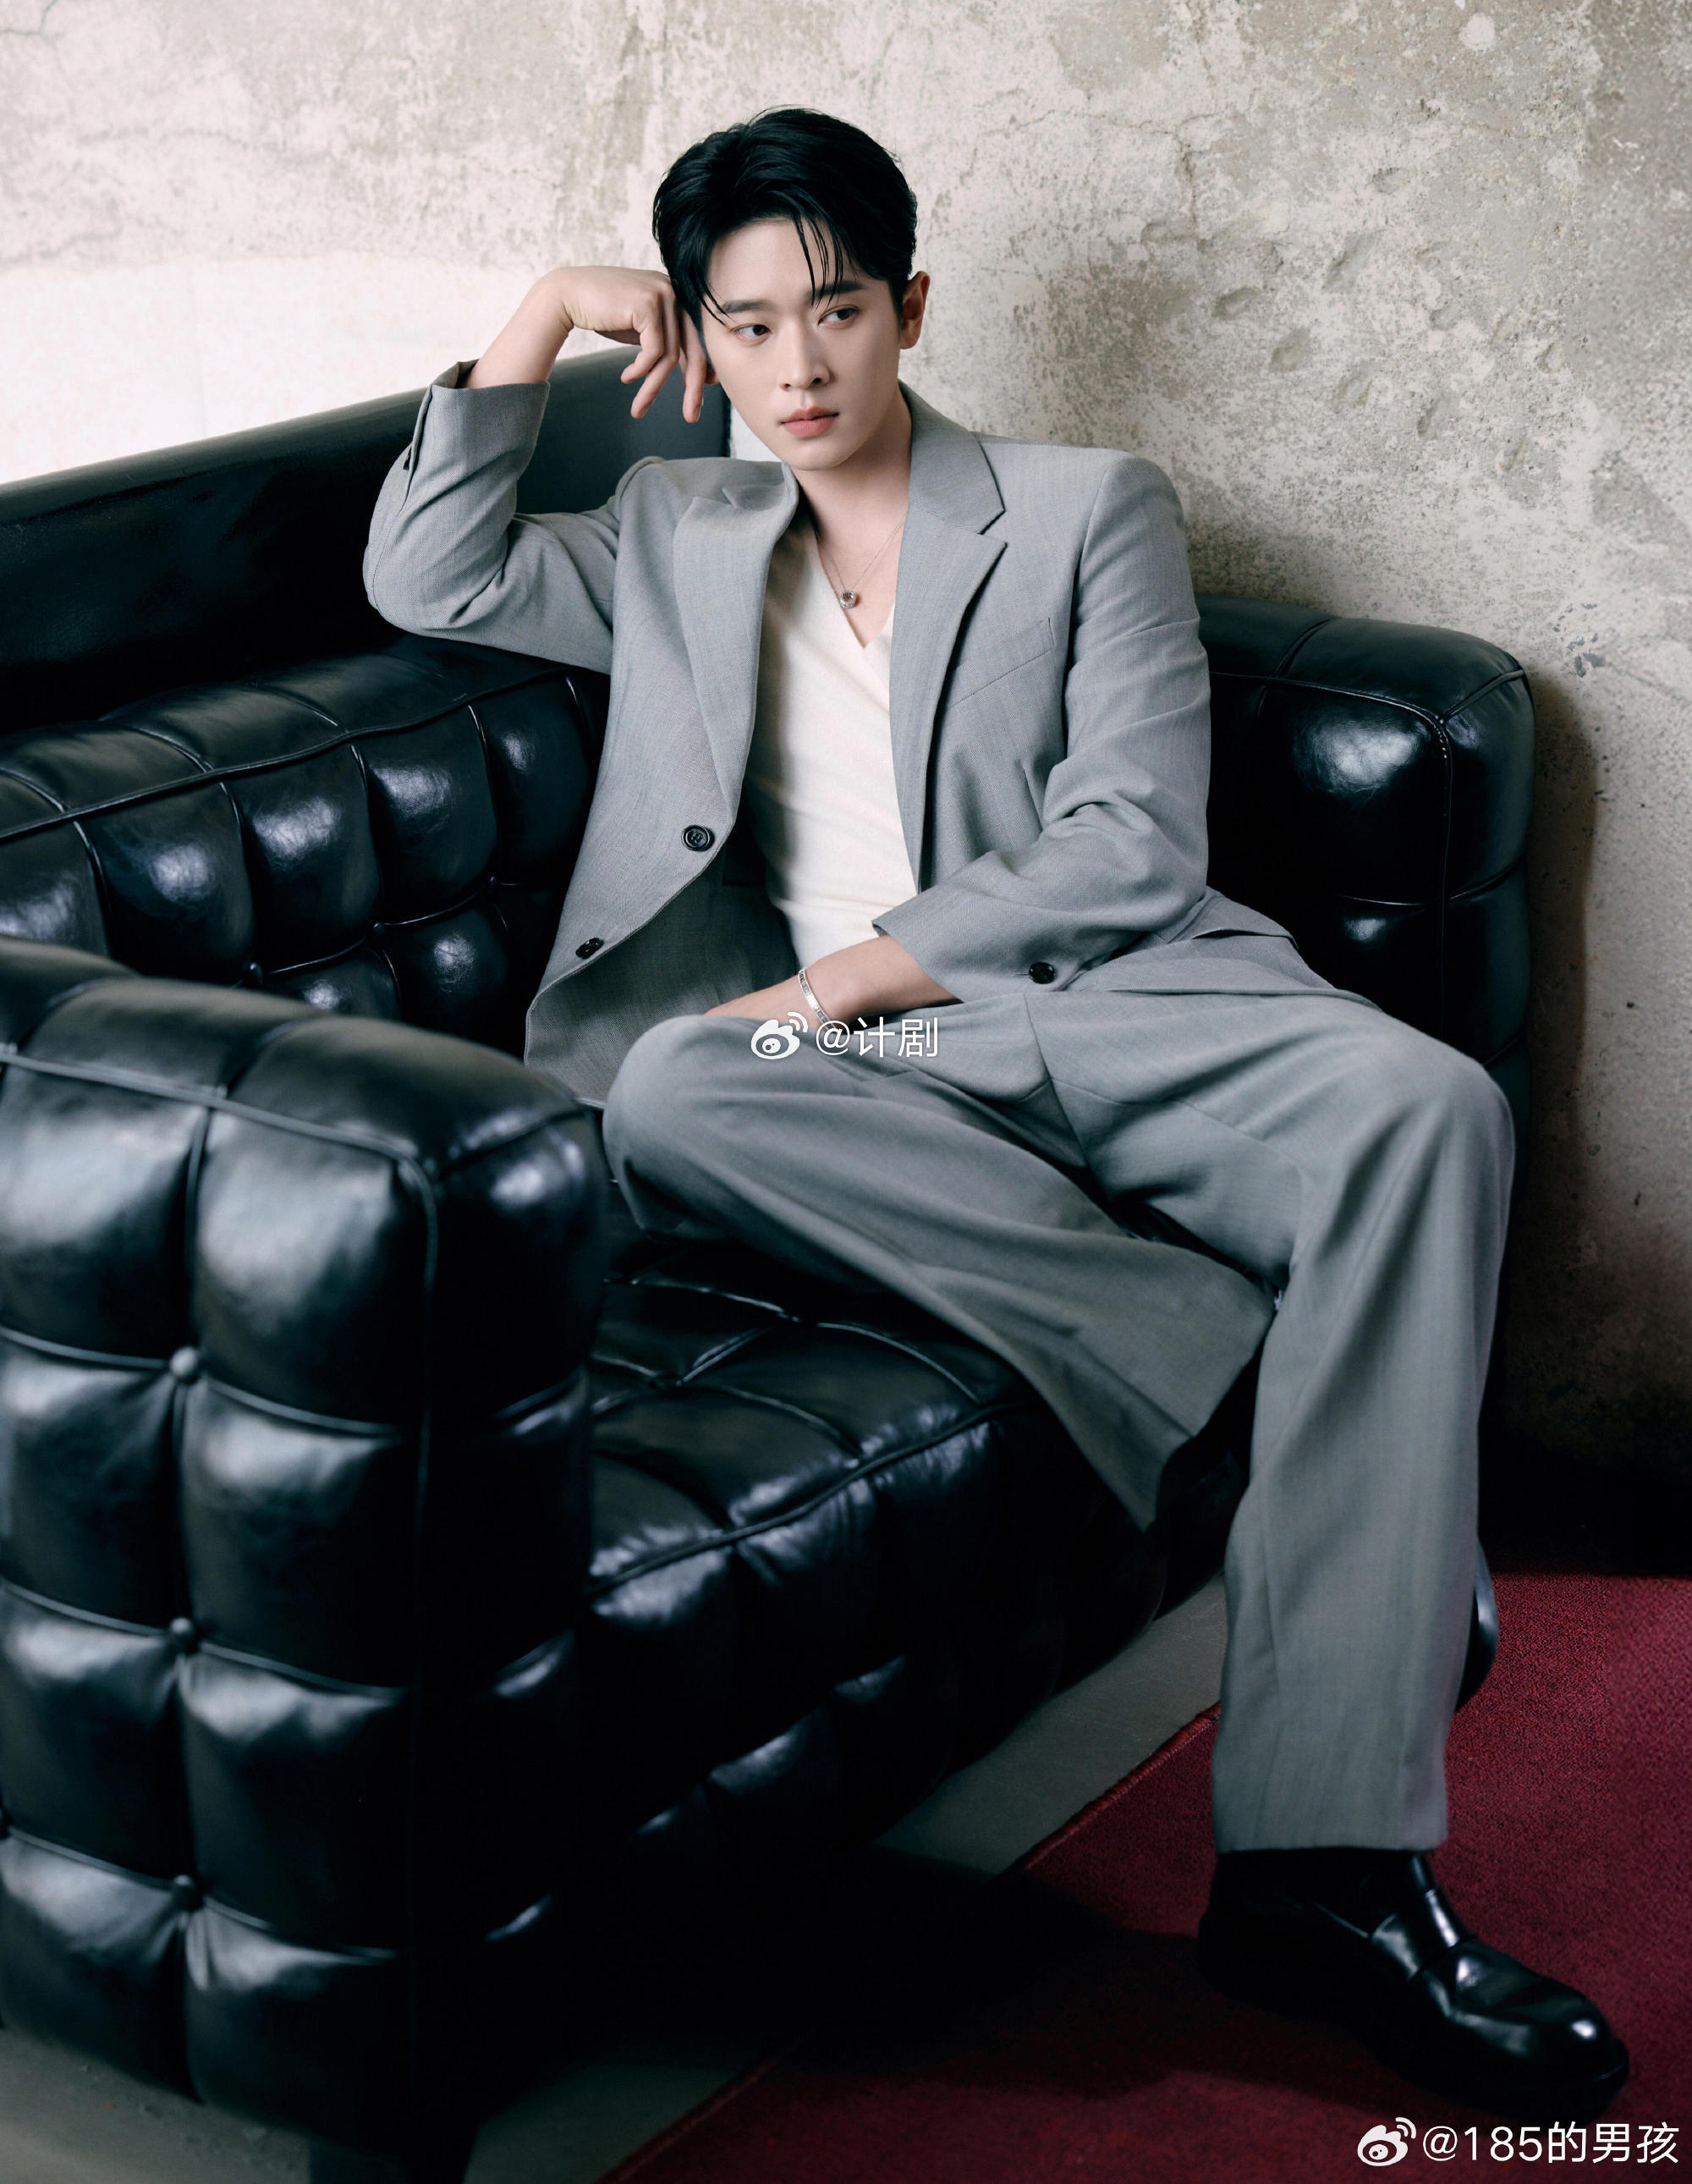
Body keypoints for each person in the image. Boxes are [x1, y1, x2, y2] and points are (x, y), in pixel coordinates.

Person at [364, 107, 1624, 2119]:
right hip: (840, 1075)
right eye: (745, 325)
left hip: (1105, 1006)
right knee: (675, 1079)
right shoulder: (674, 533)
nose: (796, 366)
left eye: (836, 311)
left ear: (910, 305)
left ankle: (1317, 1870)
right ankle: (1291, 1444)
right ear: (699, 334)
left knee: (1426, 1104)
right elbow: (431, 568)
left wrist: (841, 974)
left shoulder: (1080, 506)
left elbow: (1128, 842)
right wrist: (535, 315)